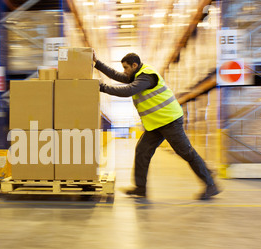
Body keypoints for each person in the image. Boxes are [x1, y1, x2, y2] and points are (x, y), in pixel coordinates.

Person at [93, 51, 219, 200]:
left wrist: (102, 87)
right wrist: (97, 63)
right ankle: (140, 188)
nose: (125, 72)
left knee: (186, 152)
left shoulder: (147, 75)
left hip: (169, 120)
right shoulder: (136, 75)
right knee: (142, 151)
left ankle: (210, 185)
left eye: (126, 68)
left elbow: (129, 91)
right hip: (156, 123)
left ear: (135, 65)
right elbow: (117, 75)